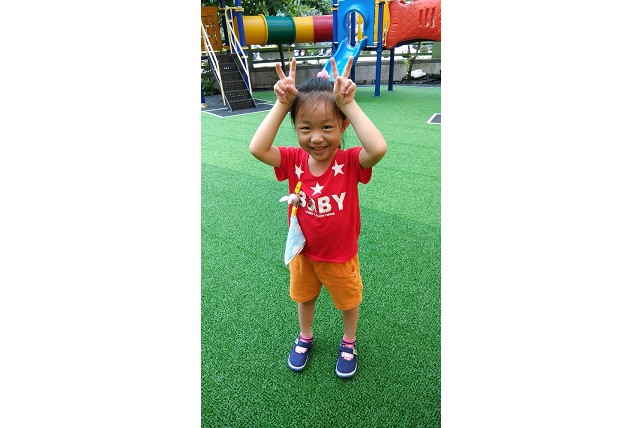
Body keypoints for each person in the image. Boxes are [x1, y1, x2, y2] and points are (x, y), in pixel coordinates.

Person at [249, 56, 387, 379]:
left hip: (340, 256)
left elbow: (378, 148)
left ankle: (349, 341)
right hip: (304, 253)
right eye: (305, 128)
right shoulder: (293, 159)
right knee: (304, 297)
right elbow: (257, 148)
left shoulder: (350, 162)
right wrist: (283, 104)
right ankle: (305, 336)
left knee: (347, 301)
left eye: (327, 126)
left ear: (342, 126)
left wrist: (348, 104)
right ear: (296, 129)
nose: (316, 137)